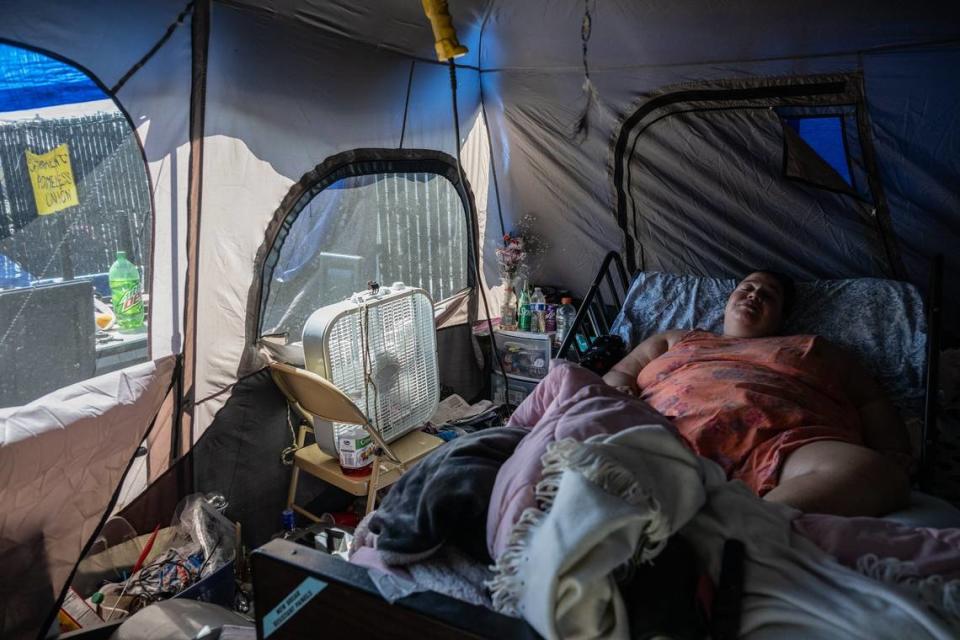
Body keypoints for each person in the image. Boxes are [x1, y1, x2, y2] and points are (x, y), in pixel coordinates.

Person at [603, 271, 913, 517]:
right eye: (747, 288)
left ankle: (739, 524)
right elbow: (621, 372)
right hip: (664, 431)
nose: (753, 295)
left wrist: (895, 452)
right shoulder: (676, 339)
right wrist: (619, 390)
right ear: (728, 300)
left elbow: (871, 401)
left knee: (872, 473)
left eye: (768, 295)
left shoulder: (813, 348)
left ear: (781, 317)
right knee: (564, 379)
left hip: (779, 444)